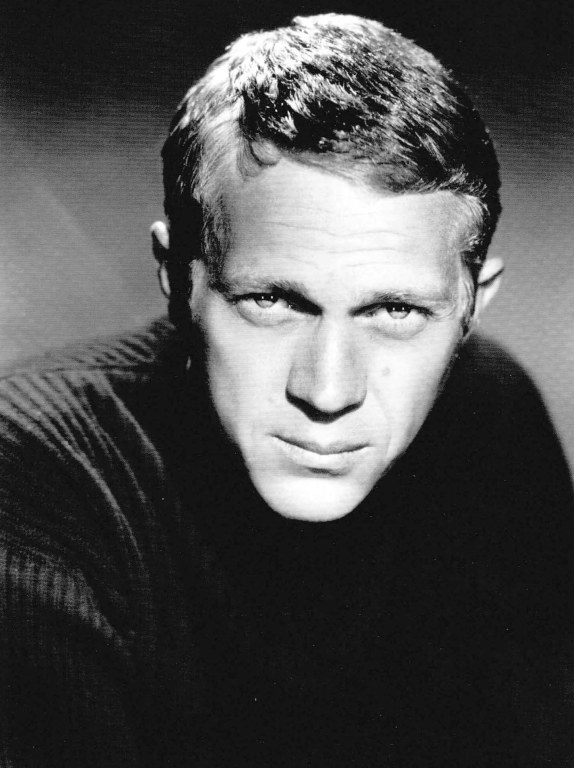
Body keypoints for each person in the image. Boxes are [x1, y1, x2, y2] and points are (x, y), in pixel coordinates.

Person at [1, 12, 573, 767]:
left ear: (472, 305)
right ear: (178, 279)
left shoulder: (490, 416)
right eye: (272, 301)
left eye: (395, 311)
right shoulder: (31, 475)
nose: (328, 391)